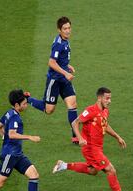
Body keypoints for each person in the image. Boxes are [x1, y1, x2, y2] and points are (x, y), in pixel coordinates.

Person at [52, 87, 133, 191]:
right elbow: (75, 123)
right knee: (110, 170)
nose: (109, 101)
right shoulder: (90, 110)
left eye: (110, 98)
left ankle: (63, 165)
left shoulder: (105, 111)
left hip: (98, 147)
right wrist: (80, 138)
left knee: (93, 171)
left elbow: (105, 125)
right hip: (91, 148)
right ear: (99, 98)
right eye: (107, 98)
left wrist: (117, 136)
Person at [26, 16, 79, 144]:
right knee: (49, 110)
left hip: (64, 80)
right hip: (54, 80)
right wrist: (66, 73)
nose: (67, 31)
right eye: (64, 29)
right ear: (59, 30)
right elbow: (51, 62)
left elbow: (61, 60)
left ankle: (75, 136)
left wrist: (67, 66)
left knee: (72, 104)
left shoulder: (65, 40)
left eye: (69, 28)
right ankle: (27, 99)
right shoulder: (58, 44)